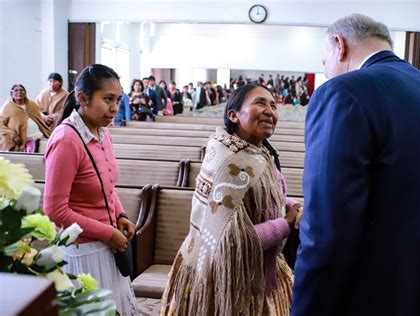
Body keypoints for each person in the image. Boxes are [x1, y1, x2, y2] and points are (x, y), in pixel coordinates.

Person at [292, 14, 420, 316]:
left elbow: (325, 232)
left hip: (376, 297)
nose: (327, 74)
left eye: (324, 64)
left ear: (339, 46)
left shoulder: (342, 92)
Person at [161, 84, 303, 315]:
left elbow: (266, 199)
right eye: (260, 103)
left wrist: (290, 205)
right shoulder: (230, 163)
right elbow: (233, 242)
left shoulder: (258, 152)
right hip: (227, 279)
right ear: (233, 114)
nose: (270, 111)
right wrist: (286, 224)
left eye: (273, 105)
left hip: (259, 270)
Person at [43, 64, 138, 315]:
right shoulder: (66, 139)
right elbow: (55, 211)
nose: (115, 108)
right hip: (82, 252)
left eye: (118, 99)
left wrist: (121, 215)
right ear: (82, 97)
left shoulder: (102, 132)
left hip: (106, 245)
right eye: (107, 99)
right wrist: (108, 233)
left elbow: (107, 185)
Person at [0, 84, 51, 152]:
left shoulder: (32, 104)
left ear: (25, 92)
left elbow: (38, 118)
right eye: (16, 90)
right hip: (19, 140)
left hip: (37, 137)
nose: (19, 92)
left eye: (21, 90)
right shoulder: (7, 107)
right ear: (12, 93)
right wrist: (11, 134)